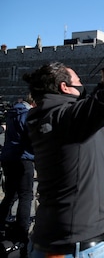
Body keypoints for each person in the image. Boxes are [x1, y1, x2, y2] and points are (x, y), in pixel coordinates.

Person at [23, 38, 104, 257]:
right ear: (65, 87)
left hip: (54, 240)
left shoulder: (49, 116)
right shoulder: (66, 118)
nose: (82, 84)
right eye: (78, 79)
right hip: (76, 248)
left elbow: (95, 104)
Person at [0, 96, 35, 257]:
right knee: (26, 195)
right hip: (24, 158)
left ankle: (2, 222)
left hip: (8, 157)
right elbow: (29, 137)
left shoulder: (12, 112)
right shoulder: (26, 114)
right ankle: (22, 229)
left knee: (10, 194)